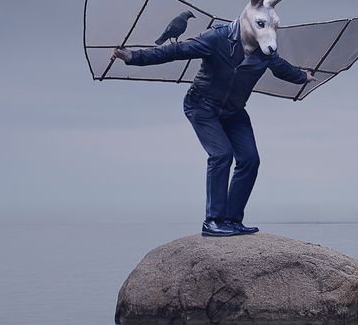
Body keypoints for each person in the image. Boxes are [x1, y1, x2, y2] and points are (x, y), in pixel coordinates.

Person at [112, 12, 313, 237]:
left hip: (234, 112)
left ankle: (232, 220)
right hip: (202, 107)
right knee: (221, 155)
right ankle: (213, 221)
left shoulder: (265, 50)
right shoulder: (216, 38)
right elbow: (176, 50)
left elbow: (280, 67)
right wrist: (133, 57)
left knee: (250, 159)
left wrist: (301, 76)